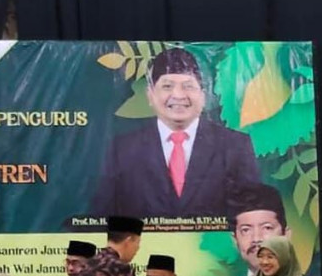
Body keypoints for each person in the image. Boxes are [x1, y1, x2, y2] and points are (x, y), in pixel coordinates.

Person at [90, 47, 260, 228]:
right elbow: (102, 216)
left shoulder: (236, 146)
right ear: (150, 94)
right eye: (167, 86)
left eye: (188, 86)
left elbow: (253, 214)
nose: (178, 95)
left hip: (214, 255)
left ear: (203, 96)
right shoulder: (122, 149)